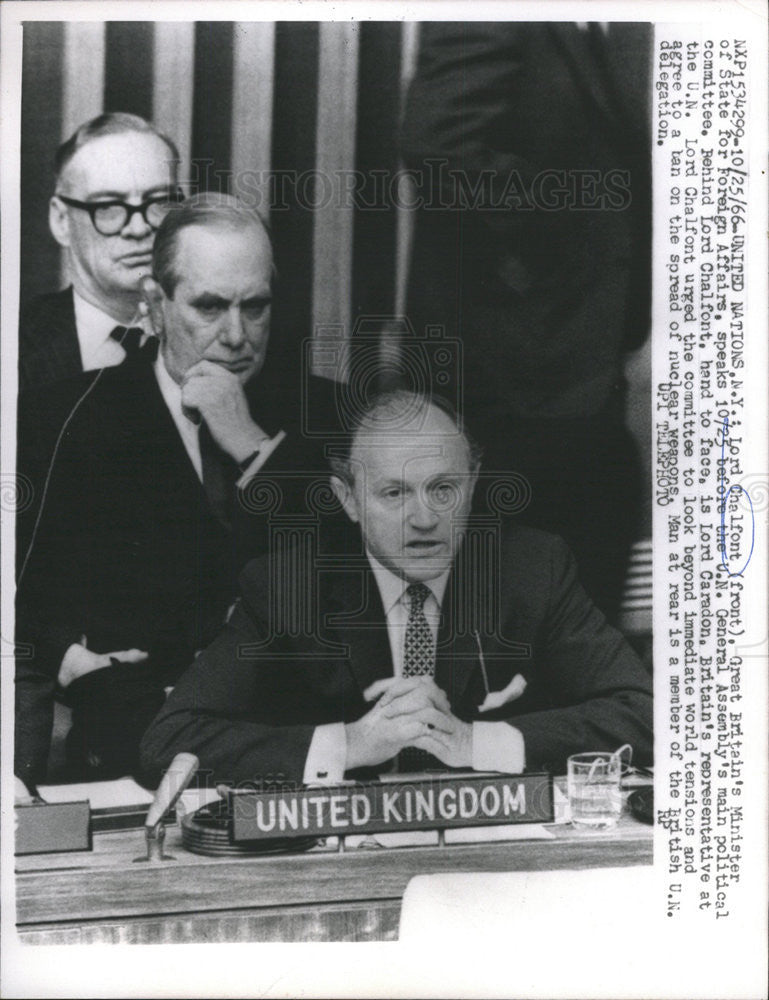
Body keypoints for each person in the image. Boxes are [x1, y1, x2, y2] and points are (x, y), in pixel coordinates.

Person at [141, 389, 653, 786]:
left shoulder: (531, 569)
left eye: (443, 489)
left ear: (472, 486)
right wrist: (351, 744)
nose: (424, 518)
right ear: (348, 499)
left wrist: (476, 743)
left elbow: (645, 714)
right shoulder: (287, 587)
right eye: (394, 493)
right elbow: (170, 739)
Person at [15, 195, 340, 788]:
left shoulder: (329, 414)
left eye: (256, 306)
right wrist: (74, 663)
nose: (237, 335)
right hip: (128, 748)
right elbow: (19, 593)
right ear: (155, 305)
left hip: (295, 748)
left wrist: (250, 445)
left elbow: (354, 579)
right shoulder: (64, 418)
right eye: (209, 307)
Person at [401, 22, 652, 622]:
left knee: (573, 639)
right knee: (515, 647)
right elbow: (439, 146)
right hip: (511, 382)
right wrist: (574, 243)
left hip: (570, 370)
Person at [18, 112, 182, 392]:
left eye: (159, 202)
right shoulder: (13, 346)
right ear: (62, 221)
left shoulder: (225, 335)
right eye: (107, 207)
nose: (139, 228)